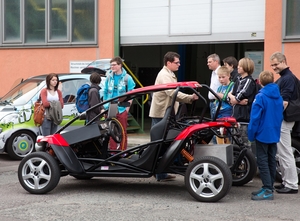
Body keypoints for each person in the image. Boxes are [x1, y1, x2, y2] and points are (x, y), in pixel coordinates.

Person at [149, 51, 198, 181]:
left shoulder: (170, 74)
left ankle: (162, 172)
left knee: (164, 142)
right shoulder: (164, 75)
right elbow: (171, 93)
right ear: (168, 63)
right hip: (161, 114)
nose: (179, 65)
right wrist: (189, 98)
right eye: (177, 62)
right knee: (160, 143)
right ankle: (159, 173)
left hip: (166, 113)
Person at [248, 71, 283, 200]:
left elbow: (255, 118)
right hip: (274, 132)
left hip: (262, 133)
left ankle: (268, 189)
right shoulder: (278, 96)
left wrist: (251, 134)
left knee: (262, 161)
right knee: (271, 159)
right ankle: (268, 186)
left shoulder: (260, 97)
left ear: (260, 82)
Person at [270, 52, 298, 194]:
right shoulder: (286, 77)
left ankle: (292, 185)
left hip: (284, 119)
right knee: (283, 152)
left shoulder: (287, 79)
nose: (274, 67)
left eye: (276, 64)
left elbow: (284, 102)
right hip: (286, 119)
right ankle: (287, 182)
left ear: (283, 61)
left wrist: (274, 117)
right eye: (272, 65)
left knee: (285, 152)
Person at [103, 56, 136, 151]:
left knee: (122, 130)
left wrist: (127, 109)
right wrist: (104, 105)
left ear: (120, 65)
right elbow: (105, 91)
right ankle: (113, 150)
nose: (112, 67)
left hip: (122, 106)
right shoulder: (109, 77)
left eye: (114, 65)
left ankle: (122, 151)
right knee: (110, 129)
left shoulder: (127, 78)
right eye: (111, 65)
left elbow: (131, 94)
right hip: (110, 106)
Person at [227, 57, 256, 123]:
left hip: (244, 116)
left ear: (246, 67)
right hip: (235, 115)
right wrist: (230, 96)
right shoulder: (238, 80)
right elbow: (229, 99)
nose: (238, 67)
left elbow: (239, 96)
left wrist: (232, 97)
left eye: (240, 66)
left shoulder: (249, 81)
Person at [207, 53, 221, 119]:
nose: (208, 64)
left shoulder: (221, 72)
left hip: (218, 102)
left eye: (210, 62)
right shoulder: (213, 72)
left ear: (216, 62)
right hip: (212, 102)